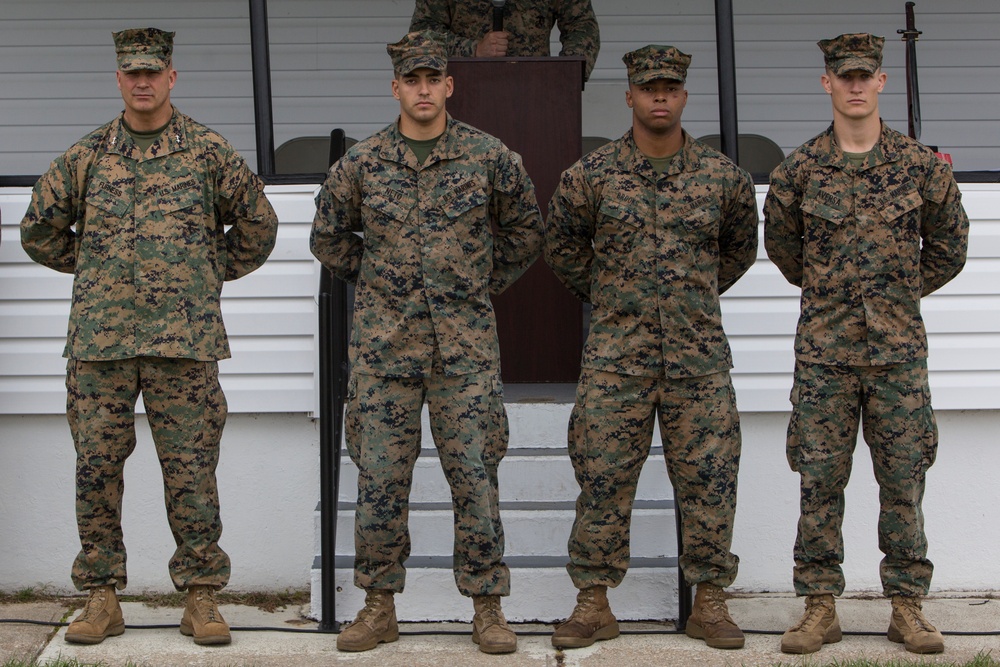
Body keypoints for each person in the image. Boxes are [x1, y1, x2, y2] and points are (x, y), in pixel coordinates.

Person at [19, 28, 278, 647]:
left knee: (191, 472)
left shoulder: (208, 153)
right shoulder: (86, 157)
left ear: (171, 78)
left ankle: (201, 597)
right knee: (97, 470)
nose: (142, 82)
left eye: (152, 72)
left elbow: (259, 225)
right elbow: (38, 230)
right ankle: (102, 597)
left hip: (184, 345)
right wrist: (97, 262)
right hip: (100, 346)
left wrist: (206, 269)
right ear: (118, 80)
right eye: (131, 73)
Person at [310, 31, 543, 654]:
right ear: (396, 88)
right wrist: (380, 279)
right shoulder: (360, 163)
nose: (421, 90)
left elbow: (525, 230)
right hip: (385, 353)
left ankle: (488, 609)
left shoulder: (489, 157)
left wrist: (477, 282)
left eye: (430, 79)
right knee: (380, 482)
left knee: (475, 479)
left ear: (448, 85)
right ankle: (379, 605)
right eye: (409, 80)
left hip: (464, 354)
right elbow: (329, 238)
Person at [544, 44, 759, 650]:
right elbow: (563, 251)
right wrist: (617, 296)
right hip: (618, 362)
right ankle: (593, 604)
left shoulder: (723, 178)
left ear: (684, 96)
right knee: (603, 481)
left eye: (670, 87)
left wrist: (686, 296)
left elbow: (737, 251)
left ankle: (710, 603)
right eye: (648, 87)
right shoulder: (591, 176)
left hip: (698, 362)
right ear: (630, 96)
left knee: (711, 482)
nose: (660, 96)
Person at [763, 33, 969, 656]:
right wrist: (835, 296)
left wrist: (897, 294)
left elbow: (950, 248)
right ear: (826, 83)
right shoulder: (798, 170)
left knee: (902, 482)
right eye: (843, 75)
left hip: (897, 358)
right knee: (819, 481)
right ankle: (819, 607)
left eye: (865, 75)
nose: (855, 85)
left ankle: (907, 607)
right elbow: (784, 250)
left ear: (882, 83)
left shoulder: (921, 167)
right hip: (824, 356)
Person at [409, 0, 600, 81]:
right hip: (464, 93)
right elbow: (421, 35)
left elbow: (582, 25)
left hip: (536, 93)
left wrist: (566, 76)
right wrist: (473, 50)